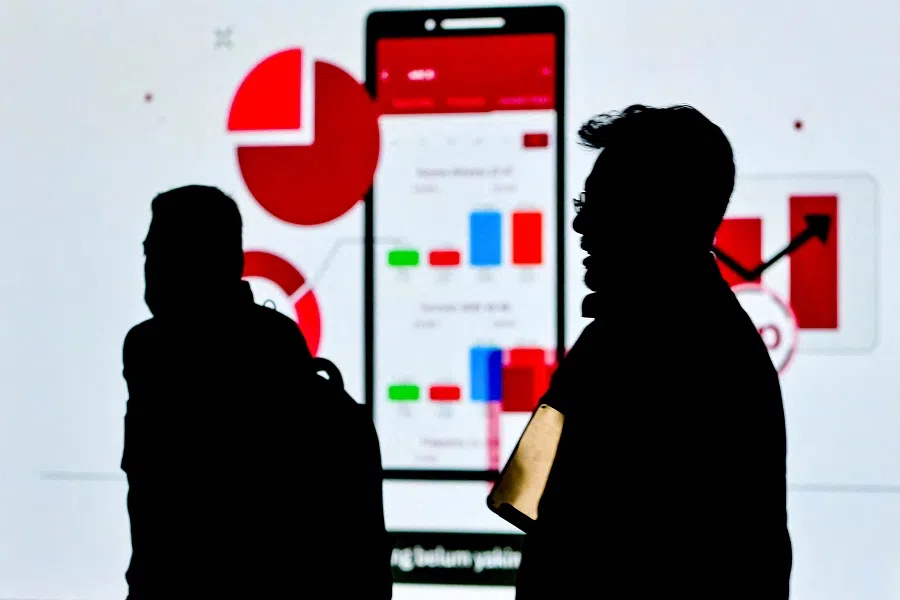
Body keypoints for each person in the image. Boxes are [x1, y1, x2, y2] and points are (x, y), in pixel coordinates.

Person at [515, 105, 791, 598]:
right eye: (584, 201)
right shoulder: (634, 337)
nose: (580, 224)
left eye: (601, 204)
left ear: (657, 215)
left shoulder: (662, 354)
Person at [121, 185, 392, 599]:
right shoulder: (325, 409)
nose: (151, 269)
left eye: (161, 254)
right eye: (150, 254)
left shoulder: (157, 370)